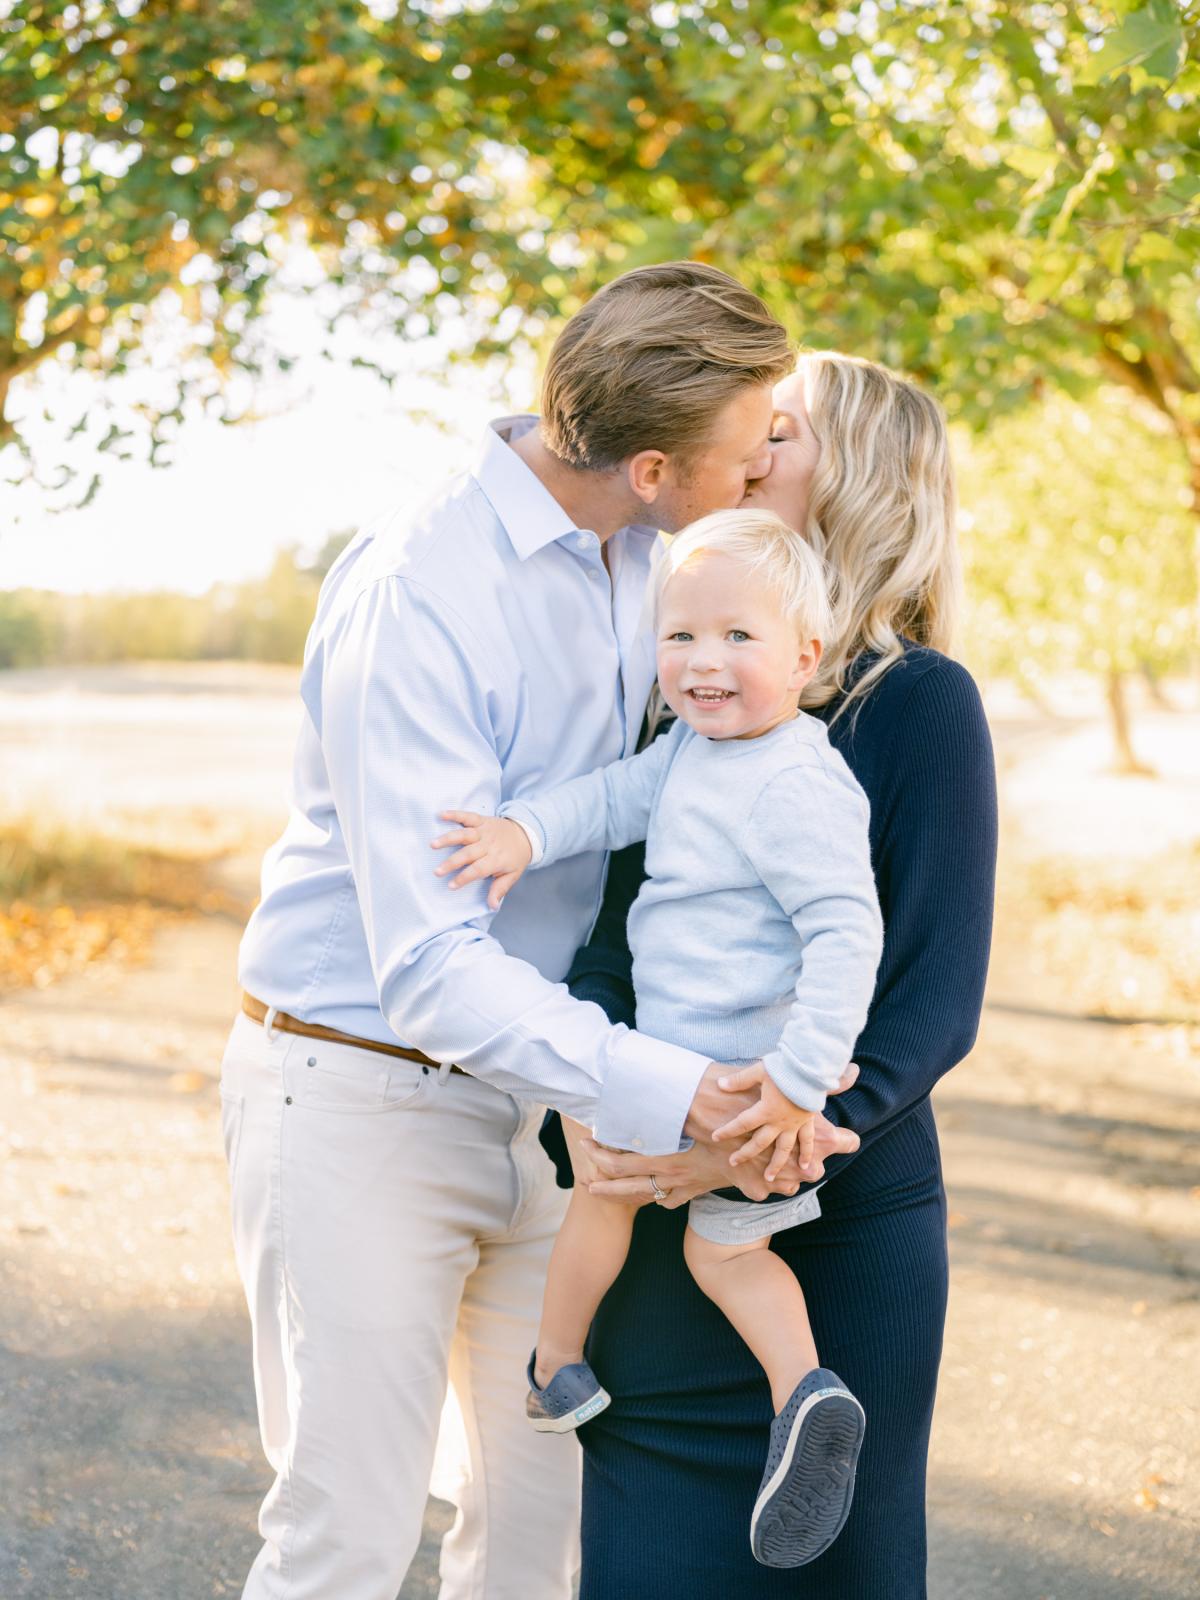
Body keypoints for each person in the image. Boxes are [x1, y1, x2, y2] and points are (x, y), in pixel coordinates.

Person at [217, 261, 804, 1600]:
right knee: (346, 1538)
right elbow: (426, 964)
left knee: (543, 1540)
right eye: (750, 441)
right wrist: (674, 1091)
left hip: (554, 1110)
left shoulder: (659, 555)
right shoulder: (422, 585)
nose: (769, 461)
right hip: (363, 1094)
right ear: (653, 468)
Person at [551, 351, 999, 1599]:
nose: (741, 447)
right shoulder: (691, 691)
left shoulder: (920, 704)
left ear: (849, 479)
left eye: (779, 435)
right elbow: (608, 940)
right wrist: (586, 1107)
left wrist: (762, 1143)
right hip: (652, 1218)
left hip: (837, 1227)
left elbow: (928, 997)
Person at [431, 508, 884, 1568]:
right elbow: (603, 800)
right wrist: (522, 831)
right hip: (680, 1071)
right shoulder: (686, 754)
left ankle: (559, 1363)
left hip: (731, 1084)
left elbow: (846, 931)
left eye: (737, 636)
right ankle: (801, 1388)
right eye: (679, 636)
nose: (702, 660)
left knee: (614, 1201)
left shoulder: (797, 779)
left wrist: (797, 1084)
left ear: (805, 656)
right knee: (724, 1247)